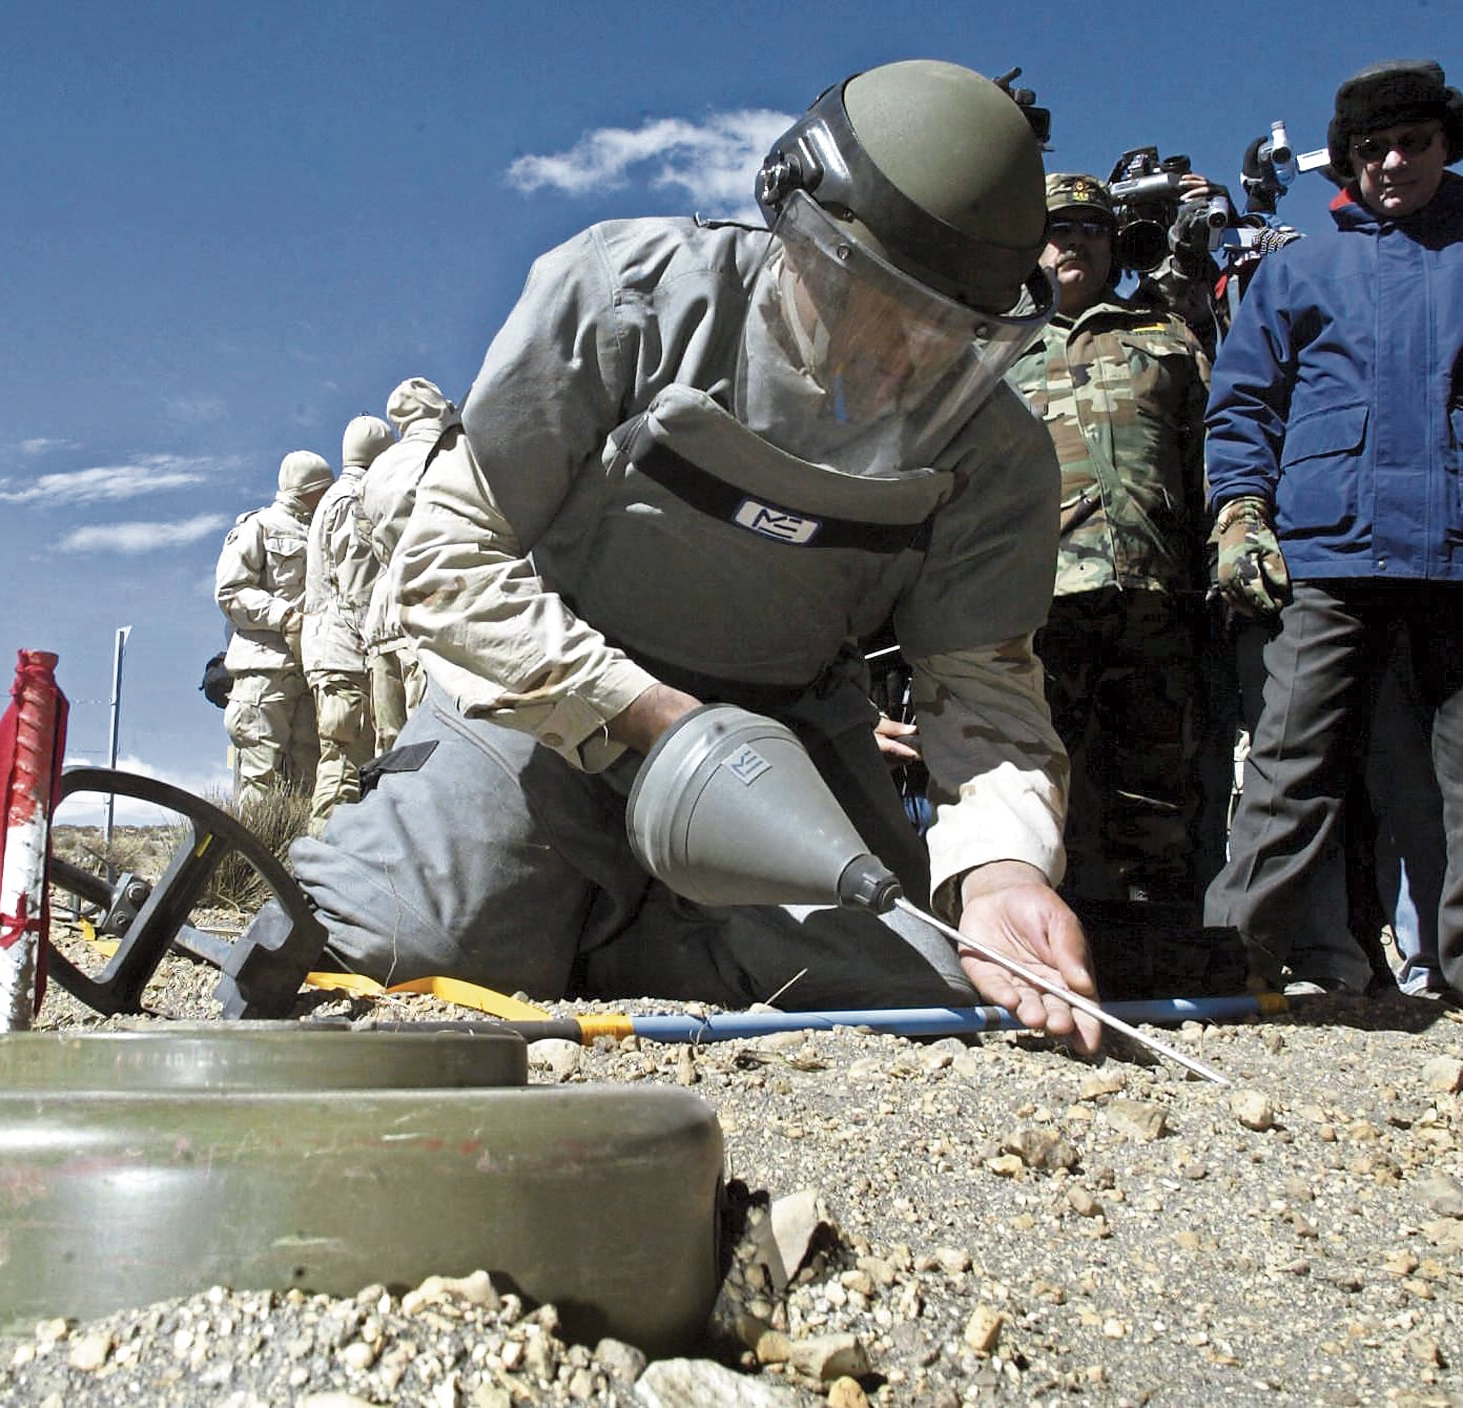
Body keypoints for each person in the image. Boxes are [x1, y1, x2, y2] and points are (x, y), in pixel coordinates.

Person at [247, 61, 1099, 1049]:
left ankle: (616, 921)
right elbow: (450, 563)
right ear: (809, 242)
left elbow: (982, 693)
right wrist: (655, 721)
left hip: (785, 743)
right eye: (892, 310)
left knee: (892, 990)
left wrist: (1000, 872)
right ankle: (545, 892)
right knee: (403, 942)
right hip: (546, 710)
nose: (914, 359)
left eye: (956, 334)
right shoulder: (625, 298)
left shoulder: (994, 456)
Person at [1203, 59, 1463, 996]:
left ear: (1446, 145)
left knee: (1456, 782)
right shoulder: (1296, 270)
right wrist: (1239, 512)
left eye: (1413, 143)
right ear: (1347, 157)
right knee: (1287, 763)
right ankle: (1233, 958)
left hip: (1455, 556)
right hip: (1326, 553)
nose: (1392, 162)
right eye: (1371, 148)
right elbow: (1241, 408)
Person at [1006, 174, 1211, 916]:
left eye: (1092, 227)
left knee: (1159, 775)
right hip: (1040, 601)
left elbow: (1209, 464)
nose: (1076, 240)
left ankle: (1154, 933)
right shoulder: (996, 351)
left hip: (1156, 595)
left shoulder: (1167, 338)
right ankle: (1041, 927)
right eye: (1059, 228)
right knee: (1037, 774)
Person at [214, 452, 330, 804]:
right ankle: (250, 859)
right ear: (307, 487)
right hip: (264, 671)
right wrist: (284, 616)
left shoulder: (323, 531)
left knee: (308, 780)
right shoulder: (258, 526)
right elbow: (230, 591)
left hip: (310, 669)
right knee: (258, 781)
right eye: (322, 487)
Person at [299, 416, 394, 830]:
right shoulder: (357, 497)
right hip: (347, 650)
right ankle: (320, 864)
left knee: (341, 756)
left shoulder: (330, 498)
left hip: (328, 647)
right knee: (341, 765)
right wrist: (375, 643)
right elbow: (357, 585)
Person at [360, 378, 457, 752]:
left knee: (388, 748)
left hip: (383, 614)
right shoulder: (452, 452)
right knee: (430, 743)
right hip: (432, 609)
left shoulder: (375, 470)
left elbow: (365, 536)